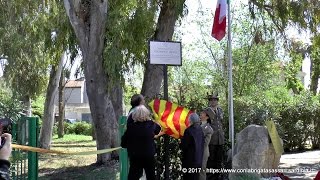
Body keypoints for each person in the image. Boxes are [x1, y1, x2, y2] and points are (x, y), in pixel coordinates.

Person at [121, 105, 161, 180]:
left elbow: (123, 144)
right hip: (149, 155)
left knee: (133, 176)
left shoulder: (130, 127)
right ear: (147, 114)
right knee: (151, 176)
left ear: (134, 115)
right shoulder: (151, 124)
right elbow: (158, 129)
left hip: (135, 156)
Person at [205, 93, 225, 180]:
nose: (213, 101)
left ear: (217, 101)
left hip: (220, 139)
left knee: (219, 160)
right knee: (211, 160)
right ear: (209, 101)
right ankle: (210, 177)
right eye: (212, 100)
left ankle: (217, 177)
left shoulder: (220, 110)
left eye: (215, 99)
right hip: (211, 139)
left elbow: (221, 123)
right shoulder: (206, 111)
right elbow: (204, 124)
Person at [180, 113, 204, 180]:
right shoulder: (200, 130)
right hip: (199, 159)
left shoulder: (188, 131)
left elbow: (184, 146)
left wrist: (181, 141)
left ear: (190, 120)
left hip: (190, 161)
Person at [199, 109, 213, 180]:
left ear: (207, 117)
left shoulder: (208, 129)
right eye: (201, 113)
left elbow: (205, 143)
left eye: (203, 113)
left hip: (203, 152)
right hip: (197, 151)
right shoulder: (199, 125)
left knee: (202, 170)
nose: (200, 114)